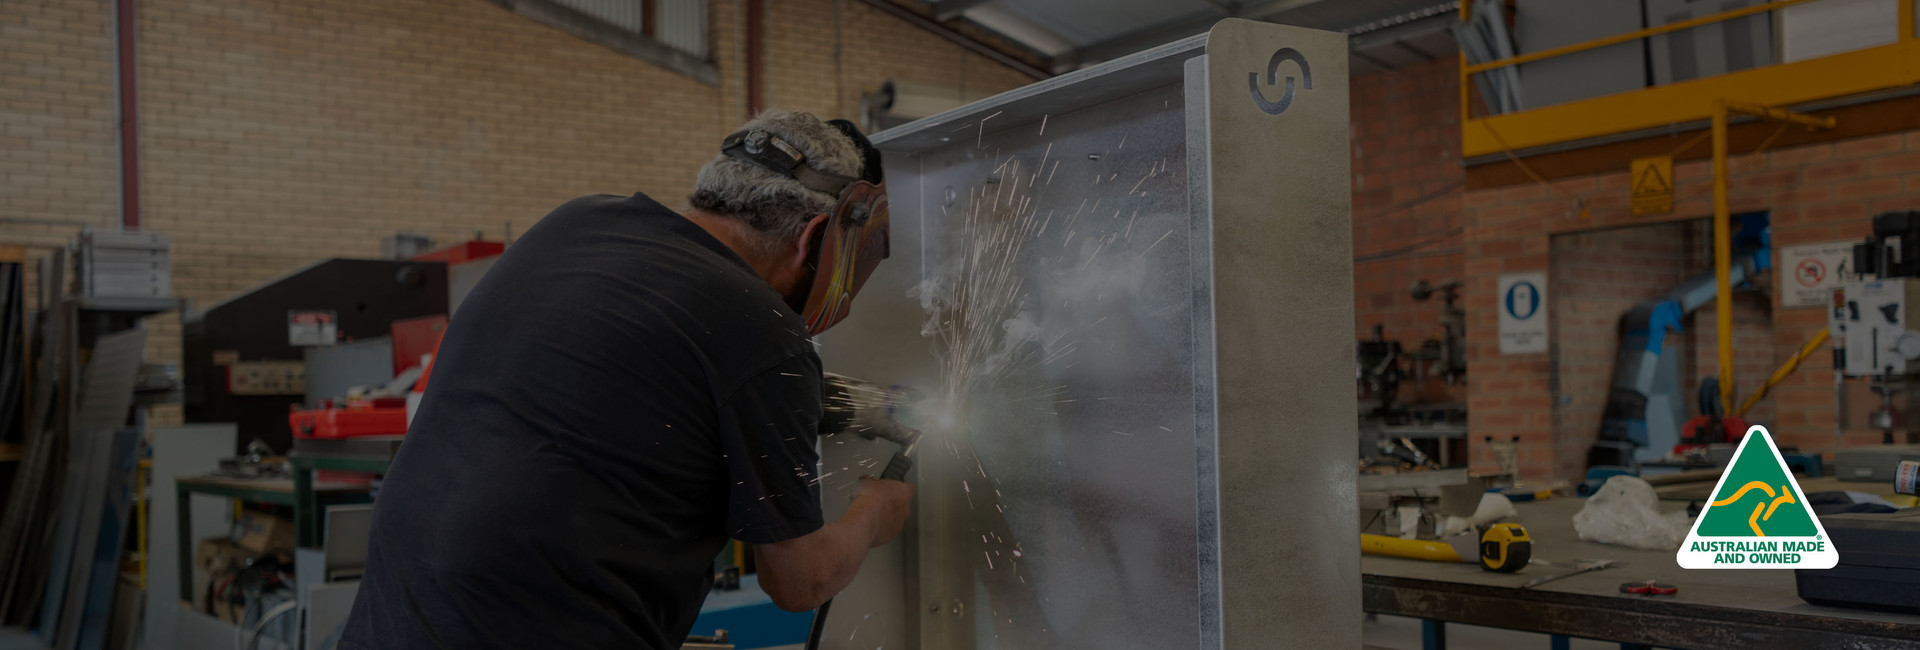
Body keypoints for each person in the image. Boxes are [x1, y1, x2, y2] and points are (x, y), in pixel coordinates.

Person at [340, 109, 912, 649]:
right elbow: (800, 582)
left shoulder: (577, 223)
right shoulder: (761, 329)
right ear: (814, 239)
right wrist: (870, 514)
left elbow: (655, 385)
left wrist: (853, 402)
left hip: (394, 620)